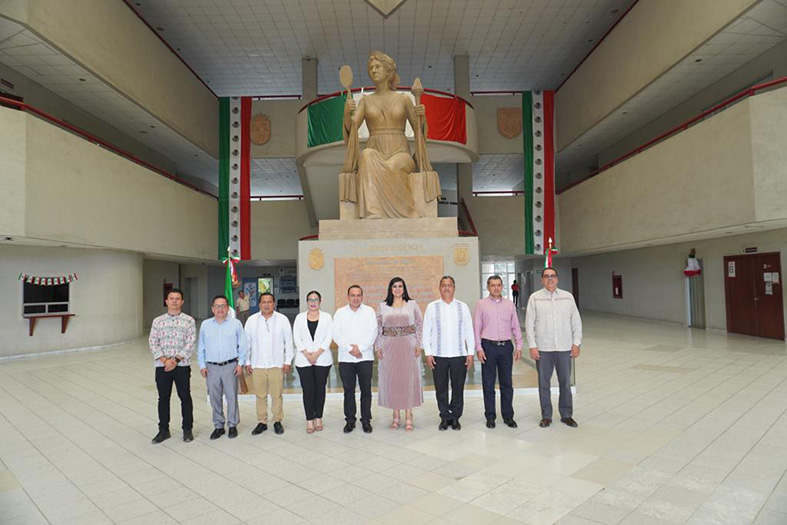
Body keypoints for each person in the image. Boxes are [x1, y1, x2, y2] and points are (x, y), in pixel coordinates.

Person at [344, 51, 427, 219]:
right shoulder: (366, 101)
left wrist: (422, 116)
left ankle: (405, 212)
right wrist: (346, 113)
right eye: (371, 68)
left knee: (394, 165)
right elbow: (351, 129)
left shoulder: (403, 99)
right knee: (366, 155)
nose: (373, 70)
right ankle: (374, 211)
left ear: (388, 72)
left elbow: (419, 131)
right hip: (376, 149)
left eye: (377, 67)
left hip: (400, 151)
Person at [525, 267, 582, 429]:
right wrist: (533, 346)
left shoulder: (567, 297)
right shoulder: (535, 298)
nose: (550, 279)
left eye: (552, 276)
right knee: (544, 383)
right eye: (546, 276)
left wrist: (576, 343)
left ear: (557, 279)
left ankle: (566, 415)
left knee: (565, 382)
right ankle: (546, 416)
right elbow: (529, 324)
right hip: (543, 348)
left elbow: (576, 321)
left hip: (564, 347)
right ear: (542, 280)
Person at [423, 276, 474, 431]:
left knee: (458, 388)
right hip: (438, 355)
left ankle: (455, 417)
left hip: (459, 355)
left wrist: (470, 352)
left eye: (449, 285)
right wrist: (428, 353)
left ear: (454, 288)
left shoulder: (462, 307)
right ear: (439, 288)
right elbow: (426, 331)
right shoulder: (432, 307)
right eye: (444, 285)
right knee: (441, 388)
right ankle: (445, 417)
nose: (447, 288)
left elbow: (469, 330)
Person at [474, 275, 523, 429]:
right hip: (488, 346)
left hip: (506, 347)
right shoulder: (481, 304)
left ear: (502, 286)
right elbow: (477, 327)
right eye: (493, 285)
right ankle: (490, 416)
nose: (496, 288)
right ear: (488, 287)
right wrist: (479, 348)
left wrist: (519, 346)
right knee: (488, 384)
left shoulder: (509, 305)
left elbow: (516, 326)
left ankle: (508, 416)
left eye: (498, 285)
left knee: (506, 383)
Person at [197, 295, 248, 440]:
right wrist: (202, 365)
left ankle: (232, 425)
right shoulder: (206, 325)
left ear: (227, 308)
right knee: (214, 397)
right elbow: (201, 347)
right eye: (217, 306)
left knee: (232, 396)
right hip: (211, 367)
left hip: (230, 366)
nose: (220, 309)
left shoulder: (236, 324)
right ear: (212, 308)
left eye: (223, 306)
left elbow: (243, 346)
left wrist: (241, 364)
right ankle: (218, 425)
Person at [149, 288, 196, 444]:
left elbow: (190, 342)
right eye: (171, 298)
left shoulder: (189, 320)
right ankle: (163, 430)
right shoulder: (158, 321)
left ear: (182, 302)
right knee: (163, 398)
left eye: (177, 298)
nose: (174, 301)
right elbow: (153, 342)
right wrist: (165, 360)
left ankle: (187, 429)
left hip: (182, 366)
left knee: (185, 397)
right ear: (166, 301)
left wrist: (175, 360)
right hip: (162, 366)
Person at [376, 277, 423, 431]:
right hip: (389, 347)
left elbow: (420, 324)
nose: (397, 289)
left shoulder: (412, 304)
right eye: (394, 286)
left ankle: (409, 415)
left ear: (404, 289)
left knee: (408, 379)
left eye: (400, 286)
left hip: (408, 346)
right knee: (393, 380)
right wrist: (378, 346)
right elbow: (378, 328)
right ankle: (395, 415)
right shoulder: (383, 306)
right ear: (390, 289)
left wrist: (418, 344)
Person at [245, 292, 294, 435]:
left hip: (276, 364)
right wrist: (247, 361)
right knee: (260, 395)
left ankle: (277, 421)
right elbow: (246, 343)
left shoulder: (282, 320)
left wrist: (288, 361)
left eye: (269, 302)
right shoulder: (251, 320)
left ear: (274, 304)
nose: (266, 305)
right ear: (259, 304)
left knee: (276, 395)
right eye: (264, 302)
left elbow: (288, 342)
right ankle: (262, 421)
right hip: (257, 364)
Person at [334, 285, 378, 434]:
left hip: (365, 358)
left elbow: (373, 333)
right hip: (346, 359)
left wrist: (359, 348)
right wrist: (350, 349)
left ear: (362, 297)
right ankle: (350, 420)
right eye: (353, 295)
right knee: (348, 391)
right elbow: (336, 334)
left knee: (366, 390)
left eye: (358, 295)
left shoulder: (369, 312)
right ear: (348, 297)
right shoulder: (340, 313)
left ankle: (366, 420)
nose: (356, 298)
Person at [292, 290, 334, 434]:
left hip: (322, 359)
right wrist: (307, 354)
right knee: (308, 390)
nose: (313, 302)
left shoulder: (327, 317)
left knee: (320, 390)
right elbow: (296, 337)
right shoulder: (299, 317)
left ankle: (319, 418)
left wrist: (316, 354)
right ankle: (309, 419)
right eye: (310, 300)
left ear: (320, 302)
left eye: (316, 300)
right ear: (307, 302)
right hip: (303, 360)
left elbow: (329, 337)